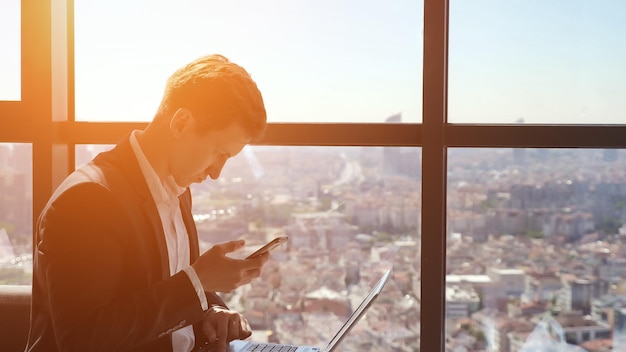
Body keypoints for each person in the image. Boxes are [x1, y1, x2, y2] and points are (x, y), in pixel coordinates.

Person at [25, 54, 270, 352]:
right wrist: (197, 283)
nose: (217, 173)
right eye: (219, 152)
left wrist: (209, 313)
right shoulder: (88, 200)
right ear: (181, 122)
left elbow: (156, 295)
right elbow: (82, 340)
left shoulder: (179, 190)